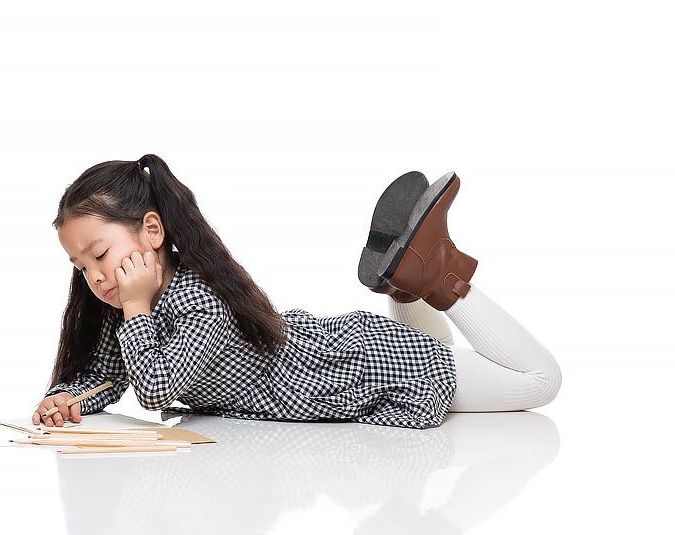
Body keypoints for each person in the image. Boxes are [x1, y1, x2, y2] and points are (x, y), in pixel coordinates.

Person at [31, 155, 561, 430]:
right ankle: (405, 279)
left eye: (99, 255)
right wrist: (69, 400)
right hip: (338, 352)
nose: (94, 277)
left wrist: (137, 306)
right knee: (428, 342)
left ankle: (438, 274)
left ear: (152, 231)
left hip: (360, 370)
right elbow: (111, 374)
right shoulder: (131, 309)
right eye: (78, 266)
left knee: (540, 381)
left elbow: (154, 388)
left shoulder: (194, 300)